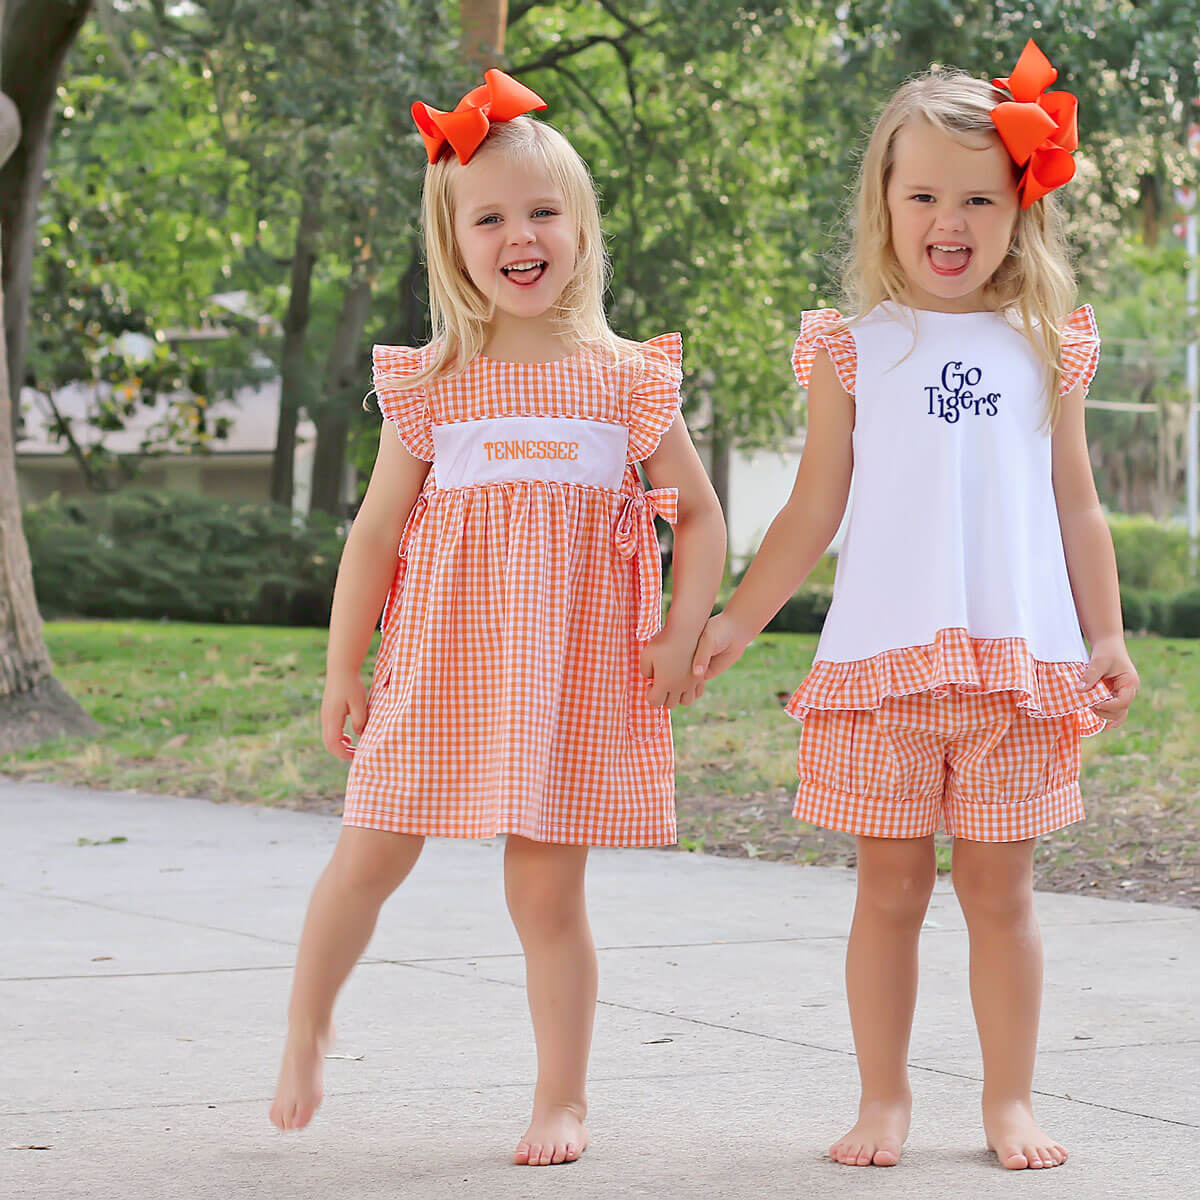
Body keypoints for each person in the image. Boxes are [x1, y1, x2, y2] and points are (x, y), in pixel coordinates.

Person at [691, 41, 1138, 1171]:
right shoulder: (855, 349)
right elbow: (810, 508)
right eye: (924, 193)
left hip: (1020, 669)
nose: (951, 218)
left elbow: (1078, 508)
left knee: (1002, 893)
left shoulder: (1049, 344)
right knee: (887, 891)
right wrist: (734, 620)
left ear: (1021, 208)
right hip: (883, 669)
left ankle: (1008, 1103)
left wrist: (1107, 635)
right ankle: (883, 1098)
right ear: (884, 205)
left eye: (979, 197)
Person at [269, 70, 725, 1167]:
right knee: (368, 857)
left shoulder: (626, 382)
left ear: (579, 229)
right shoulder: (435, 382)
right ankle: (308, 1025)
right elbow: (375, 536)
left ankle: (561, 1097)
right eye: (491, 219)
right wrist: (346, 667)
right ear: (454, 241)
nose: (519, 236)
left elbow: (700, 519)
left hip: (566, 678)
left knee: (546, 890)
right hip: (438, 666)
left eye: (542, 213)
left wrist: (682, 629)